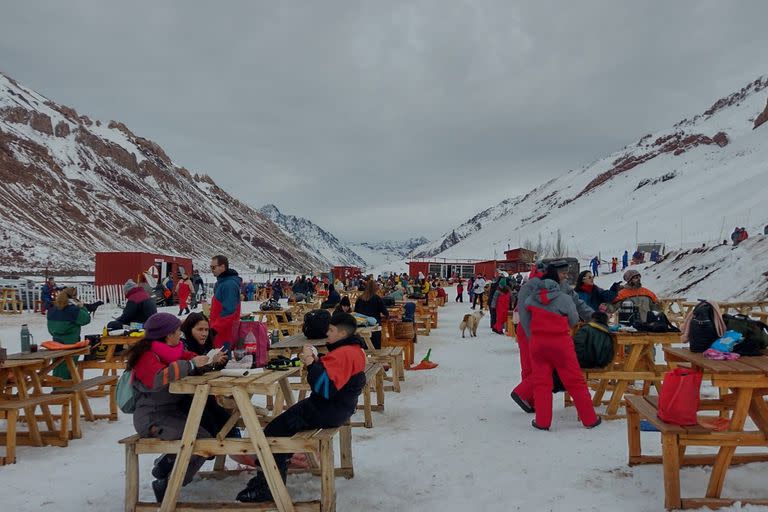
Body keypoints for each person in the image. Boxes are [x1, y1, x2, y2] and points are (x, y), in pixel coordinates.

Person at [236, 312, 366, 503]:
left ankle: (268, 487)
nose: (327, 333)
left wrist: (311, 362)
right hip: (338, 408)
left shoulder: (344, 354)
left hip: (326, 409)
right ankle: (270, 474)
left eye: (331, 330)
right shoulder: (354, 349)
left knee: (274, 431)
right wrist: (318, 360)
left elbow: (323, 387)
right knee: (282, 425)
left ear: (342, 334)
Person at [127, 312, 227, 502]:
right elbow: (158, 378)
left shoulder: (172, 350)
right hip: (151, 417)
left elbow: (192, 358)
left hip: (170, 413)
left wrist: (209, 360)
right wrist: (190, 364)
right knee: (199, 441)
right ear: (166, 334)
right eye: (177, 332)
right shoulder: (146, 357)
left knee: (205, 437)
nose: (180, 335)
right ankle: (169, 484)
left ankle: (168, 469)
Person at [524, 272, 600, 431]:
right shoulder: (564, 299)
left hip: (538, 345)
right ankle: (589, 419)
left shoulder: (531, 299)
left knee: (541, 383)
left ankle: (542, 422)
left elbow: (526, 319)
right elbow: (573, 320)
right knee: (574, 381)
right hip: (560, 344)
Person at [46, 287, 91, 380]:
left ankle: (57, 387)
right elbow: (86, 319)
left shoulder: (53, 309)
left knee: (58, 366)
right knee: (69, 368)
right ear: (74, 297)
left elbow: (50, 329)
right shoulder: (73, 310)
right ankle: (67, 389)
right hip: (71, 343)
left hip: (56, 343)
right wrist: (82, 307)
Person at [209, 255, 242, 349]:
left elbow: (229, 312)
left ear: (222, 267)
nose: (212, 269)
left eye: (213, 267)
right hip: (219, 329)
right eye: (211, 267)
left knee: (221, 358)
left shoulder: (229, 285)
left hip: (224, 332)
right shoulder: (222, 283)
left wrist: (214, 329)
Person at [353, 279, 389, 349]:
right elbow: (385, 312)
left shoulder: (360, 298)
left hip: (362, 326)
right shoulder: (377, 298)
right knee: (375, 348)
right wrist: (386, 316)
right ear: (375, 288)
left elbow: (355, 312)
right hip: (375, 326)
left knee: (363, 347)